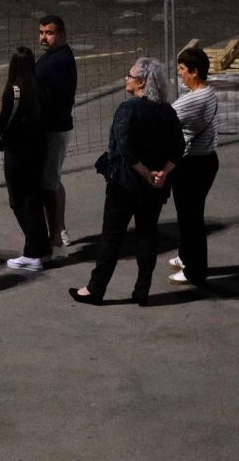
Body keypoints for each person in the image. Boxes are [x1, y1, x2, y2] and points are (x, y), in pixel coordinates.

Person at [70, 56, 184, 307]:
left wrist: (144, 172)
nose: (126, 79)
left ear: (142, 82)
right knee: (147, 234)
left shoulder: (128, 109)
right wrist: (162, 173)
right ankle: (142, 290)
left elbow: (125, 148)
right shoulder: (167, 111)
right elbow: (179, 147)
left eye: (130, 76)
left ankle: (95, 289)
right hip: (155, 187)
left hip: (125, 183)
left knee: (112, 236)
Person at [0, 47, 50, 272]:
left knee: (18, 202)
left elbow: (2, 124)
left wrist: (2, 132)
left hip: (17, 153)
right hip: (38, 151)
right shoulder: (40, 87)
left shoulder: (14, 91)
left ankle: (33, 252)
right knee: (34, 200)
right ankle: (39, 248)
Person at [168, 47, 219, 285]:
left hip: (192, 166)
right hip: (206, 161)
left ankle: (195, 271)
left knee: (191, 220)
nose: (179, 73)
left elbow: (165, 120)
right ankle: (185, 256)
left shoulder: (192, 100)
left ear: (194, 71)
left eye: (182, 69)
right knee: (188, 215)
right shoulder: (209, 93)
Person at [34, 14, 77, 255]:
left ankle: (56, 240)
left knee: (49, 185)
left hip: (55, 130)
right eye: (41, 32)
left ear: (61, 35)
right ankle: (60, 230)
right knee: (53, 180)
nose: (43, 37)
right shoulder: (54, 56)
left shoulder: (58, 60)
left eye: (49, 33)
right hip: (56, 128)